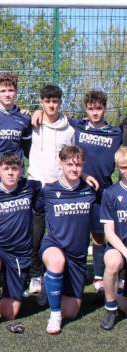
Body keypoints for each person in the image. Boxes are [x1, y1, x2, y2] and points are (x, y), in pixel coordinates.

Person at [0, 152, 41, 333]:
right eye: (6, 169)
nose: (10, 173)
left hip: (19, 254)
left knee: (10, 313)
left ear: (21, 171)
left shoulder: (31, 187)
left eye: (14, 168)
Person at [39, 146, 96, 335]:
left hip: (77, 256)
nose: (74, 169)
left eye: (78, 165)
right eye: (69, 164)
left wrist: (85, 176)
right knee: (56, 261)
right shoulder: (48, 189)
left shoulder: (90, 190)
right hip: (54, 246)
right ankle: (54, 315)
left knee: (71, 312)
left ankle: (49, 289)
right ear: (61, 164)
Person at [70, 90, 122, 293]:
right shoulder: (78, 127)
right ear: (86, 109)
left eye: (99, 108)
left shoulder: (116, 133)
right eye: (91, 108)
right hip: (81, 188)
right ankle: (78, 273)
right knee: (78, 233)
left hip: (105, 191)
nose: (95, 112)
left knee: (100, 234)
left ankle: (99, 277)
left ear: (104, 108)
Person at [28, 85, 75, 294]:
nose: (51, 105)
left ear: (60, 102)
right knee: (35, 234)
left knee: (59, 234)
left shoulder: (70, 129)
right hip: (37, 185)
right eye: (47, 101)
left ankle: (59, 272)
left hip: (59, 189)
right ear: (42, 102)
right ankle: (35, 275)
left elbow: (72, 158)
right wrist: (31, 114)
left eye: (55, 101)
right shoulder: (33, 123)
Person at [99, 146, 127, 330]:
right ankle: (110, 308)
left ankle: (120, 294)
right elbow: (109, 233)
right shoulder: (111, 193)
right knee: (112, 263)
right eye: (122, 167)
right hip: (119, 247)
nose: (126, 171)